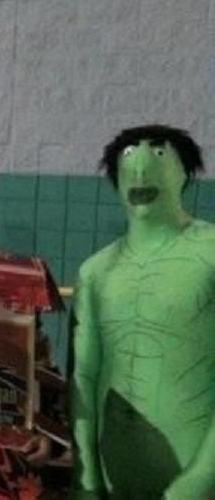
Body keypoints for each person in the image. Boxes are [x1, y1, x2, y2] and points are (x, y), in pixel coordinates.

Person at [71, 124, 215, 498]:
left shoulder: (211, 254)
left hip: (195, 474)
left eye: (159, 154)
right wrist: (86, 478)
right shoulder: (95, 272)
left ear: (185, 173)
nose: (140, 170)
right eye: (129, 157)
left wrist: (201, 478)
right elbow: (84, 377)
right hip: (115, 476)